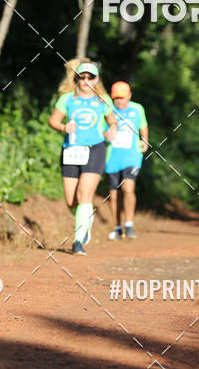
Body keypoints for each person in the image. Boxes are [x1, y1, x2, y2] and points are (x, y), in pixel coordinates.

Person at [49, 59, 117, 255]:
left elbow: (112, 121)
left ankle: (78, 241)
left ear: (96, 80)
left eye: (90, 77)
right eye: (82, 77)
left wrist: (112, 129)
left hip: (95, 149)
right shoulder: (67, 99)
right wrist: (64, 127)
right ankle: (86, 218)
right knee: (72, 202)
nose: (86, 80)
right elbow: (53, 120)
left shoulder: (103, 99)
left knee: (84, 195)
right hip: (71, 150)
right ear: (76, 79)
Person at [104, 81, 149, 240]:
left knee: (128, 188)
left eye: (122, 97)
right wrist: (107, 135)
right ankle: (117, 228)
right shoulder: (108, 111)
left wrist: (145, 139)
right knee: (114, 195)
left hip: (132, 156)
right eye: (116, 98)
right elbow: (101, 130)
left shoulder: (137, 109)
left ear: (129, 96)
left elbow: (143, 125)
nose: (119, 101)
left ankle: (129, 225)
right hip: (112, 157)